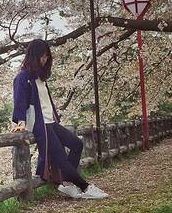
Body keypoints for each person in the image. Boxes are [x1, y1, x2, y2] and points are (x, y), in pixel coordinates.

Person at [11, 39, 108, 199]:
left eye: (46, 57)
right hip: (40, 124)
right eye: (42, 56)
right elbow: (19, 102)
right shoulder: (22, 77)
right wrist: (21, 122)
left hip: (51, 122)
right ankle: (85, 188)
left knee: (77, 144)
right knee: (61, 157)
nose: (45, 59)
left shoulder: (40, 78)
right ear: (34, 56)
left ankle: (67, 184)